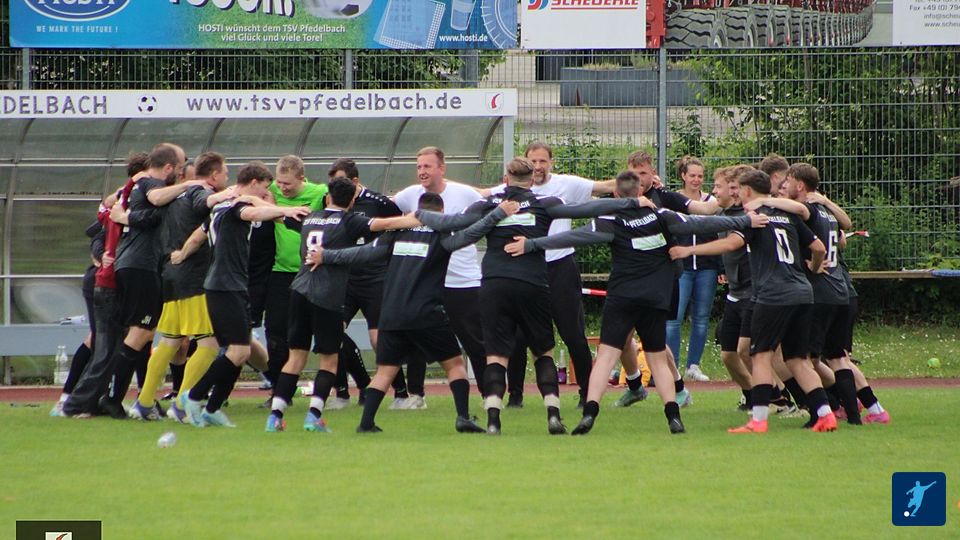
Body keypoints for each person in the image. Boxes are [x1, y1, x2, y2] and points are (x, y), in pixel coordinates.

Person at [505, 170, 768, 435]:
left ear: (616, 194)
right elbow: (701, 224)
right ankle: (673, 417)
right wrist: (745, 220)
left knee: (606, 357)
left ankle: (589, 414)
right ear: (640, 191)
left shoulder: (610, 220)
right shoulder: (661, 215)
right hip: (655, 299)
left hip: (622, 298)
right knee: (657, 359)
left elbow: (572, 237)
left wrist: (533, 244)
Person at [417, 157, 646, 436]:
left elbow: (454, 222)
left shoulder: (490, 205)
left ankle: (493, 421)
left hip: (494, 284)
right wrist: (630, 202)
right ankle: (553, 415)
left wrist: (419, 215)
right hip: (533, 284)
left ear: (506, 179)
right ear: (531, 181)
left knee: (496, 356)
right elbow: (586, 209)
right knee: (543, 353)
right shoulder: (545, 203)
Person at [316, 193, 518, 433]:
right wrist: (498, 214)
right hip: (427, 313)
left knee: (385, 371)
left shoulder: (395, 234)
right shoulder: (442, 235)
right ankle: (463, 417)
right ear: (440, 213)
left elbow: (362, 253)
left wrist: (326, 256)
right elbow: (472, 233)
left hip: (391, 314)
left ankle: (366, 423)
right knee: (455, 365)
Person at [264, 178, 414, 433]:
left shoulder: (309, 217)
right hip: (327, 296)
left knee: (295, 357)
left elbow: (277, 216)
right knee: (329, 361)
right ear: (352, 201)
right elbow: (386, 224)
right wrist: (417, 218)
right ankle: (313, 417)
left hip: (299, 290)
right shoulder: (350, 221)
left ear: (327, 197)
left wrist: (265, 203)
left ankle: (275, 417)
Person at [697, 169, 834, 434]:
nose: (736, 195)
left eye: (739, 190)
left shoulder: (754, 219)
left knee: (760, 356)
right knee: (798, 360)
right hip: (802, 293)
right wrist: (815, 268)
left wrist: (688, 250)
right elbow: (818, 248)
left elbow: (729, 245)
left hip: (773, 295)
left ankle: (758, 421)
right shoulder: (786, 215)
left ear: (748, 191)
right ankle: (825, 414)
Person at [180, 162, 310, 427]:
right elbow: (251, 212)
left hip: (224, 285)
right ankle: (193, 397)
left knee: (238, 351)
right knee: (239, 350)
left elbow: (199, 235)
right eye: (264, 188)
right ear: (254, 182)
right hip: (226, 287)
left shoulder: (221, 205)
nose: (266, 194)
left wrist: (181, 254)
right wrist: (286, 210)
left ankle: (212, 408)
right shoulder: (236, 207)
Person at [489, 142, 618, 409]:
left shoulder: (566, 185)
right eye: (533, 162)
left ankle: (587, 393)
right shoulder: (511, 190)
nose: (538, 167)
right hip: (525, 268)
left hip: (560, 267)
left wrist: (642, 182)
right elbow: (479, 194)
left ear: (551, 163)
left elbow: (605, 187)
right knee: (518, 335)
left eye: (543, 161)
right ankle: (515, 396)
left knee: (573, 333)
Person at [130, 152, 238, 421]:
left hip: (170, 276)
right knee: (209, 345)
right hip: (194, 279)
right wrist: (227, 195)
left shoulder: (171, 197)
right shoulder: (200, 191)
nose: (227, 178)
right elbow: (206, 202)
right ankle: (181, 405)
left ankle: (143, 403)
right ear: (214, 175)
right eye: (225, 174)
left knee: (169, 341)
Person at [98, 143, 199, 419]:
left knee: (143, 334)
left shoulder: (139, 185)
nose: (180, 174)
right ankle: (112, 398)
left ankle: (143, 398)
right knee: (141, 333)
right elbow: (155, 210)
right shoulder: (152, 184)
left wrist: (125, 215)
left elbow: (137, 210)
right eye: (179, 168)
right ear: (168, 167)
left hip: (134, 264)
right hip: (141, 266)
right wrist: (189, 185)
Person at [392, 147, 487, 410]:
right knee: (416, 338)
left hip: (462, 281)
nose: (422, 172)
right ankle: (416, 395)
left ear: (441, 169)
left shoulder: (464, 193)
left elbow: (486, 204)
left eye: (427, 166)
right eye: (419, 167)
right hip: (426, 281)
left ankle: (489, 395)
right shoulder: (410, 195)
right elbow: (387, 206)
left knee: (474, 340)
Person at [61, 153, 150, 417]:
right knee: (104, 347)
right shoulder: (123, 206)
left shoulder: (126, 206)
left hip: (114, 283)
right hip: (105, 283)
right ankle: (72, 402)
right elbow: (96, 235)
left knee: (114, 345)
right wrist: (103, 257)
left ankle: (95, 401)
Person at [326, 158, 402, 409]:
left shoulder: (379, 203)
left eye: (340, 181)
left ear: (355, 181)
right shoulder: (330, 202)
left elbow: (398, 226)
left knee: (379, 339)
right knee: (332, 334)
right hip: (345, 280)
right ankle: (344, 392)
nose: (335, 187)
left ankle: (401, 393)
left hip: (375, 279)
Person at [262, 155, 328, 389]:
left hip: (311, 272)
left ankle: (349, 386)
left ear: (301, 178)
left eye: (287, 183)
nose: (282, 187)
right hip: (280, 272)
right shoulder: (271, 189)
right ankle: (279, 389)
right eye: (279, 182)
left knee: (325, 331)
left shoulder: (320, 193)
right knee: (275, 331)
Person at [665, 156, 721, 382]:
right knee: (674, 318)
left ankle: (693, 366)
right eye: (692, 176)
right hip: (682, 267)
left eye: (700, 176)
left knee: (701, 318)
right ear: (683, 176)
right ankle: (672, 367)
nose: (696, 180)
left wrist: (720, 267)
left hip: (707, 266)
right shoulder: (674, 200)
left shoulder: (712, 201)